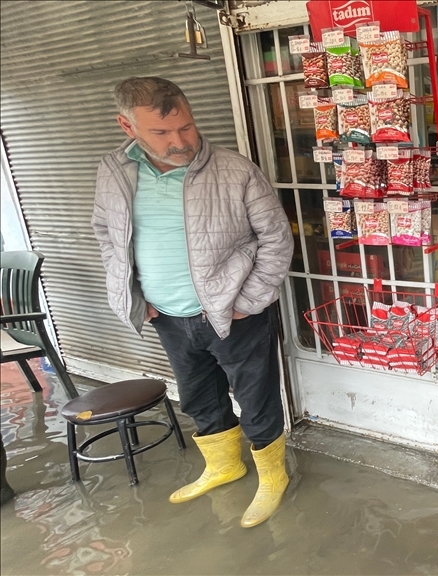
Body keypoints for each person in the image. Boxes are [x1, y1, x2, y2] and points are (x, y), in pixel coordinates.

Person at [92, 77, 293, 528]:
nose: (180, 141)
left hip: (235, 313)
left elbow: (277, 239)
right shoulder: (114, 171)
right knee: (199, 396)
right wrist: (131, 294)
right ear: (127, 126)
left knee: (256, 397)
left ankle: (272, 476)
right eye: (162, 132)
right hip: (166, 314)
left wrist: (250, 300)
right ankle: (224, 466)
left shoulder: (235, 170)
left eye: (186, 126)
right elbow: (106, 235)